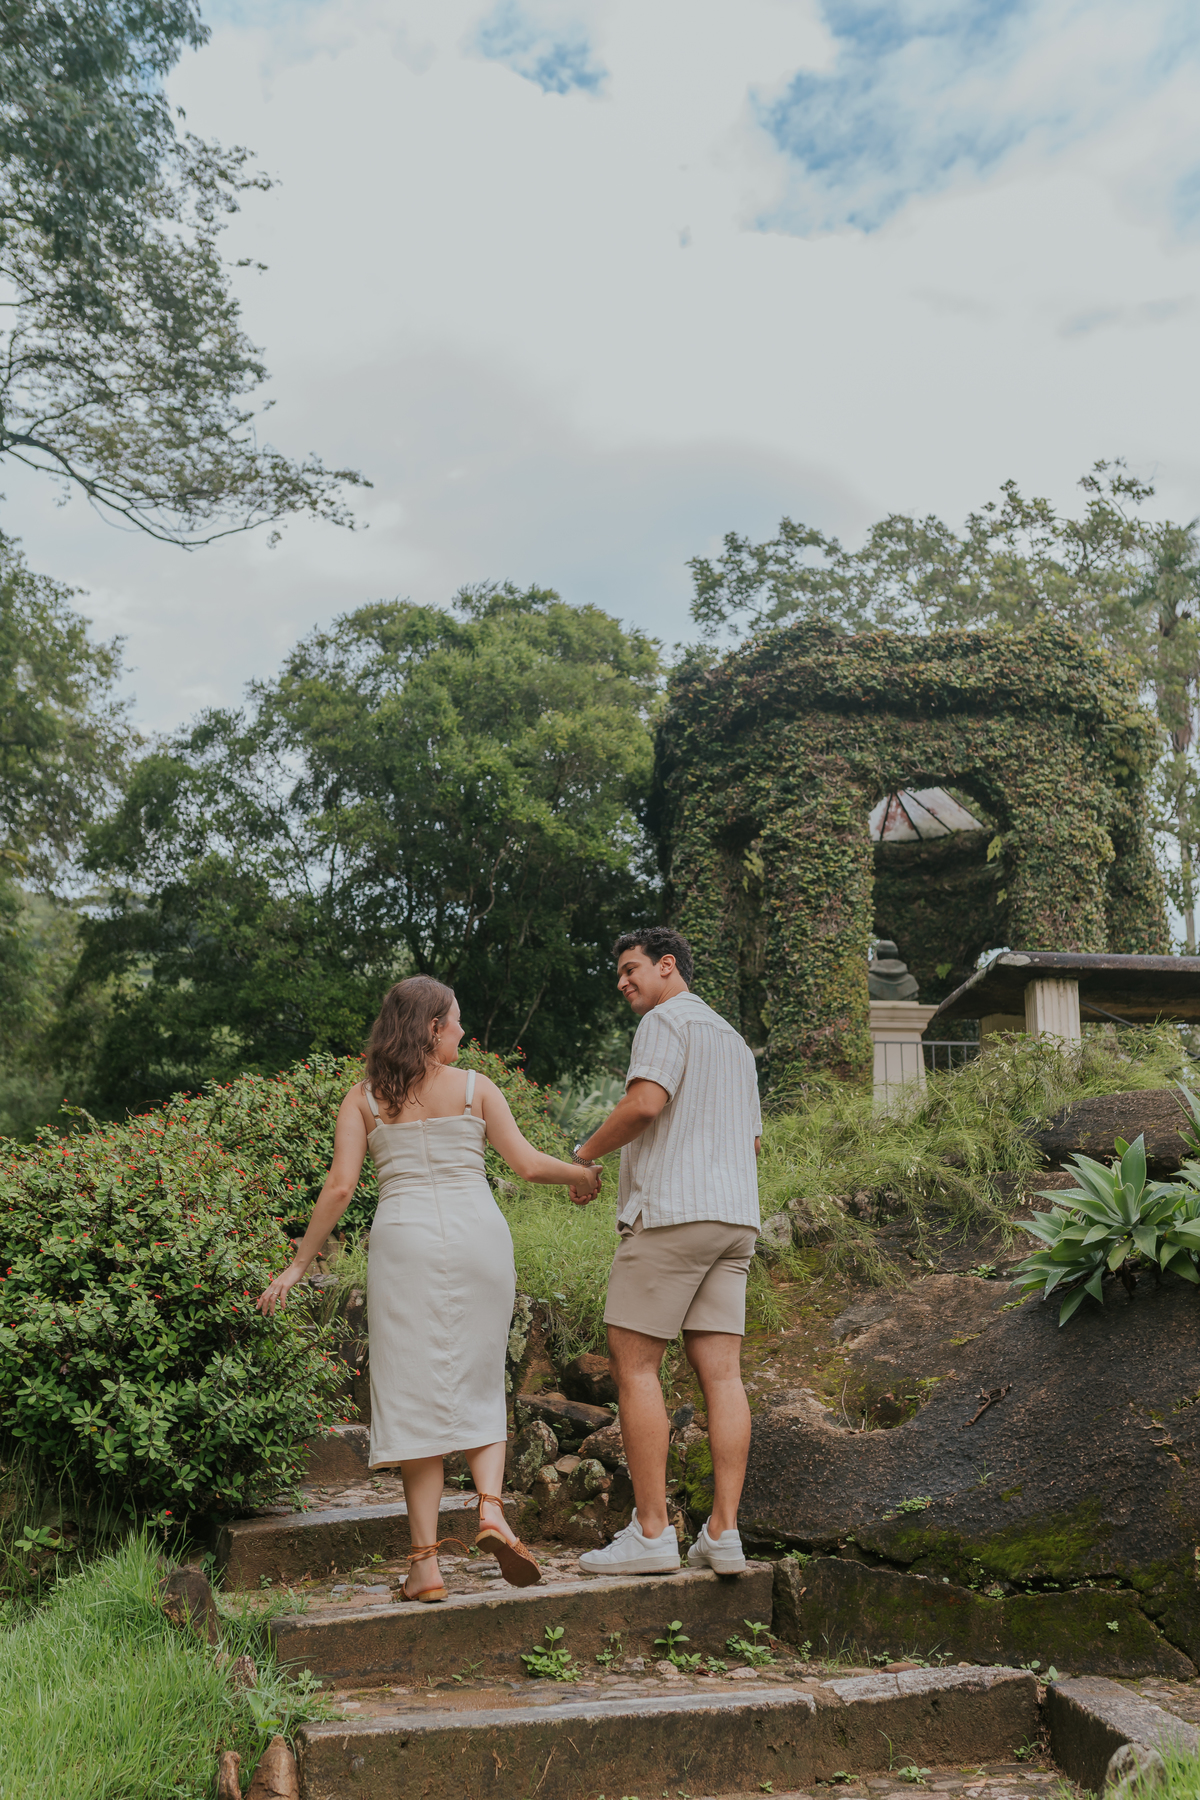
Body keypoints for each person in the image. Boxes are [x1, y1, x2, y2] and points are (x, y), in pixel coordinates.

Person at [257, 975, 600, 1601]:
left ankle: (425, 1566)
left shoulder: (362, 1099)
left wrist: (299, 1265)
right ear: (432, 1027)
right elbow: (524, 1163)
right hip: (479, 1241)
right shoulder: (476, 1089)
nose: (465, 1033)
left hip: (404, 1244)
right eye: (458, 1021)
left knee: (411, 1390)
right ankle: (491, 1510)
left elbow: (339, 1187)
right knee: (479, 1373)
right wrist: (582, 1174)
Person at [570, 927, 761, 1578]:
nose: (623, 982)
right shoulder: (734, 1041)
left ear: (667, 966)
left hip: (675, 1214)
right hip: (736, 1220)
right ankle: (724, 1534)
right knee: (724, 1376)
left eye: (631, 969)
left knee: (636, 1366)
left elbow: (645, 1103)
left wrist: (584, 1156)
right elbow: (753, 1144)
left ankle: (652, 1532)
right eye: (618, 973)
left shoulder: (664, 1021)